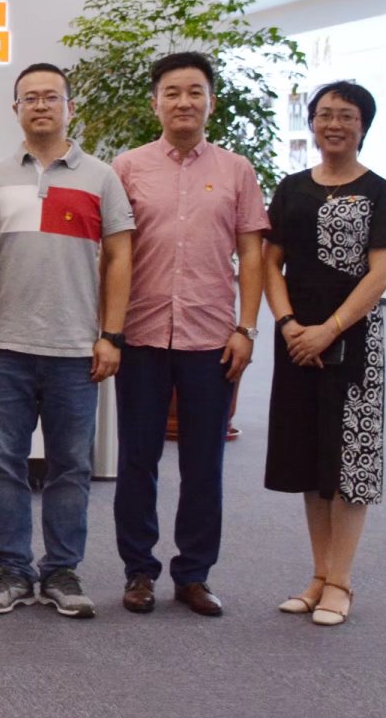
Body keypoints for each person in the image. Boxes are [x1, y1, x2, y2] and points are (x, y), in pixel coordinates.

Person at [0, 63, 134, 619]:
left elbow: (119, 257)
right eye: (30, 98)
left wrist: (111, 334)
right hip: (5, 346)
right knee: (4, 464)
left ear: (69, 107)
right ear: (15, 108)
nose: (40, 106)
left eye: (51, 97)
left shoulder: (101, 177)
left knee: (71, 466)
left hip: (75, 349)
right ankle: (13, 571)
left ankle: (62, 570)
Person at [112, 50, 267, 618]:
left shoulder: (236, 170)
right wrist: (107, 330)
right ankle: (139, 571)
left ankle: (194, 574)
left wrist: (246, 328)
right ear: (155, 103)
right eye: (172, 92)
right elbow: (112, 255)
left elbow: (252, 253)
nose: (184, 102)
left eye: (194, 92)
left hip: (211, 338)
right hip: (141, 334)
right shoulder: (127, 168)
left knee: (204, 463)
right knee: (137, 460)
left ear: (211, 102)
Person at [262, 81, 386, 626]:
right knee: (309, 458)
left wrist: (329, 329)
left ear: (363, 126)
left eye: (346, 116)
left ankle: (341, 582)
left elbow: (381, 274)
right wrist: (288, 324)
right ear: (312, 123)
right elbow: (270, 263)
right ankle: (319, 576)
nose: (334, 125)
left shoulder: (379, 190)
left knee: (349, 460)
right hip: (297, 341)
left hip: (354, 342)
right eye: (324, 115)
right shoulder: (292, 188)